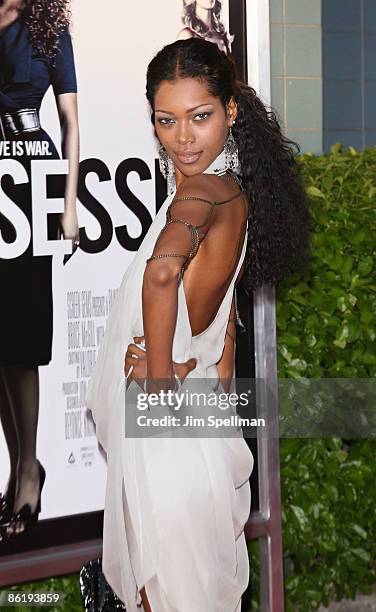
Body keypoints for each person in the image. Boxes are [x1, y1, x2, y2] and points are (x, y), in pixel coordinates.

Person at [86, 38, 311, 612]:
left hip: (167, 433)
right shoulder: (231, 193)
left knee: (167, 590)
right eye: (167, 120)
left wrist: (160, 384)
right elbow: (225, 319)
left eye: (200, 116)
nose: (183, 138)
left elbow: (162, 276)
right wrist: (198, 374)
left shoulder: (207, 192)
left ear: (230, 111)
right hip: (196, 423)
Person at [0, 0, 79, 540]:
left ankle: (29, 469)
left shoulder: (49, 29)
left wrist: (69, 206)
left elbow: (71, 120)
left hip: (29, 185)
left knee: (22, 337)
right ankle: (18, 467)